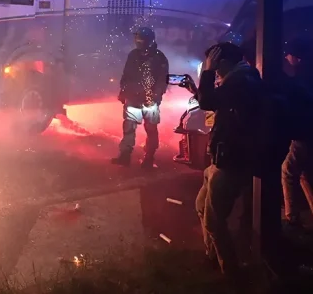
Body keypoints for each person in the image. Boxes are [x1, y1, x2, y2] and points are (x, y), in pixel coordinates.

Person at [183, 42, 263, 275]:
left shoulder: (240, 80)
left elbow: (210, 103)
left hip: (231, 159)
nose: (214, 72)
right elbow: (216, 101)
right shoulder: (242, 79)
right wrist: (196, 91)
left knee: (215, 221)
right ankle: (213, 257)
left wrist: (206, 73)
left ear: (224, 63)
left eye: (215, 66)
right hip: (223, 156)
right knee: (202, 206)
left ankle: (230, 271)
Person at [112, 27, 169, 168]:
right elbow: (126, 75)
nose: (138, 41)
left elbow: (163, 80)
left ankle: (149, 157)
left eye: (140, 39)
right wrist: (123, 92)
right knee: (129, 127)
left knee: (150, 129)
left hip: (149, 100)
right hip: (133, 98)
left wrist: (156, 95)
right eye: (137, 38)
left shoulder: (159, 57)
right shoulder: (133, 55)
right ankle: (125, 156)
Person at [281, 37, 313, 228]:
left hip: (304, 133)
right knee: (305, 174)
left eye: (289, 54)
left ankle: (292, 216)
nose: (286, 57)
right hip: (308, 133)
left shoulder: (301, 77)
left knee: (288, 172)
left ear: (297, 57)